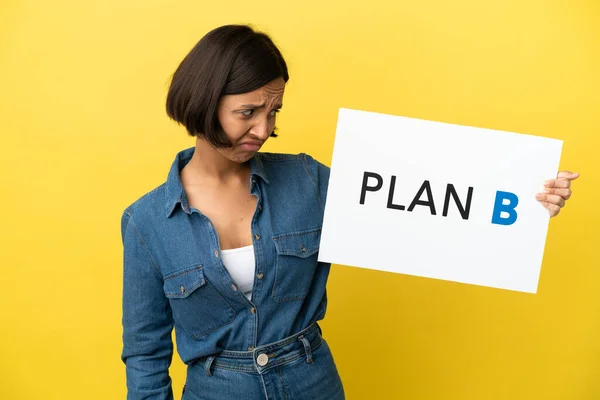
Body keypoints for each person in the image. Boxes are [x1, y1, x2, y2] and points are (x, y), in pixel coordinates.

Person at [120, 24, 579, 400]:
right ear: (204, 101)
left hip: (312, 382)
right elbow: (145, 353)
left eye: (274, 111)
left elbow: (426, 211)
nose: (264, 129)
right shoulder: (145, 224)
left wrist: (523, 203)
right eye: (248, 112)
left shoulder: (308, 181)